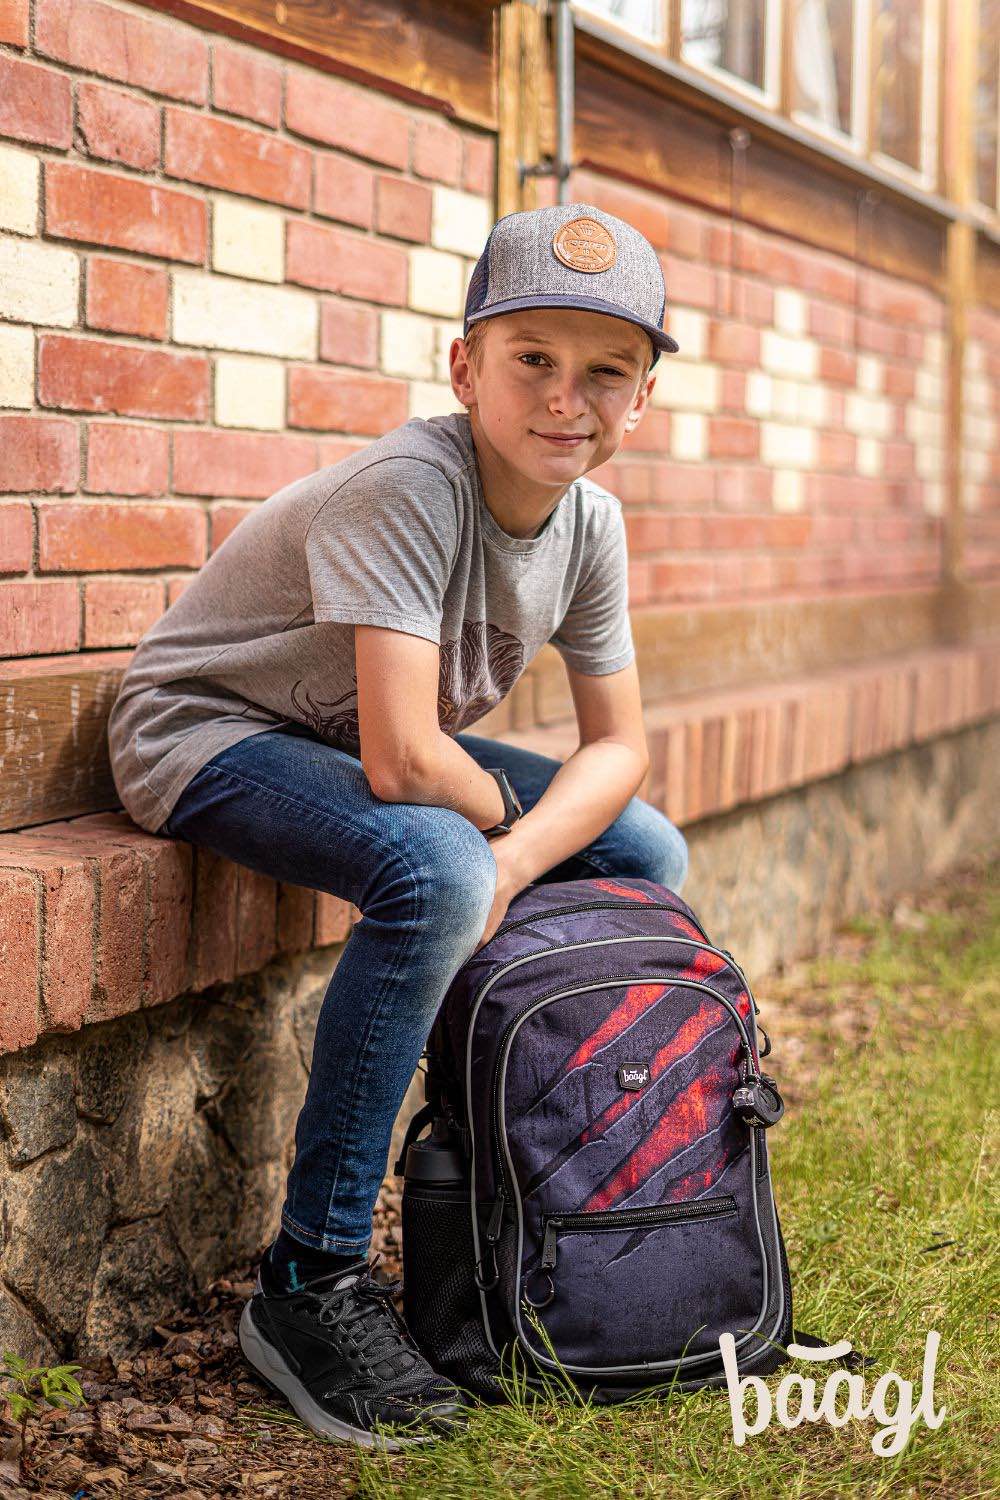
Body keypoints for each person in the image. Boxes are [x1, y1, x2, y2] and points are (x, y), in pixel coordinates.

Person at [106, 201, 690, 1450]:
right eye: (532, 357)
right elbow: (404, 755)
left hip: (345, 740)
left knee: (644, 853)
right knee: (430, 870)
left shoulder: (591, 524)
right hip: (207, 731)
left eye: (605, 372)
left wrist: (523, 854)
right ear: (465, 365)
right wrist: (489, 841)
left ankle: (534, 1199)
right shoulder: (409, 487)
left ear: (640, 403)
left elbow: (621, 751)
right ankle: (309, 1283)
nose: (564, 399)